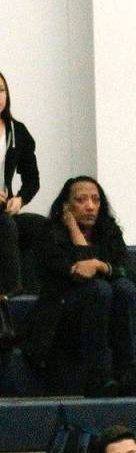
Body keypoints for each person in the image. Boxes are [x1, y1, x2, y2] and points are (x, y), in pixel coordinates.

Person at [25, 176, 136, 396]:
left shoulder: (109, 231)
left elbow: (130, 273)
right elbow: (81, 273)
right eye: (81, 200)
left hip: (103, 313)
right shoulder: (49, 233)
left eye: (96, 200)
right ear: (66, 205)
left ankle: (127, 372)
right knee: (100, 289)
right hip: (61, 315)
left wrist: (101, 265)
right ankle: (97, 375)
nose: (90, 206)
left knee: (125, 288)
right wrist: (73, 229)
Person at [0, 70, 41, 298]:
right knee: (6, 227)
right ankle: (11, 291)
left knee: (42, 226)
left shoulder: (18, 132)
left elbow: (32, 179)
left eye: (2, 90)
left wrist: (21, 199)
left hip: (5, 211)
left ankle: (39, 293)